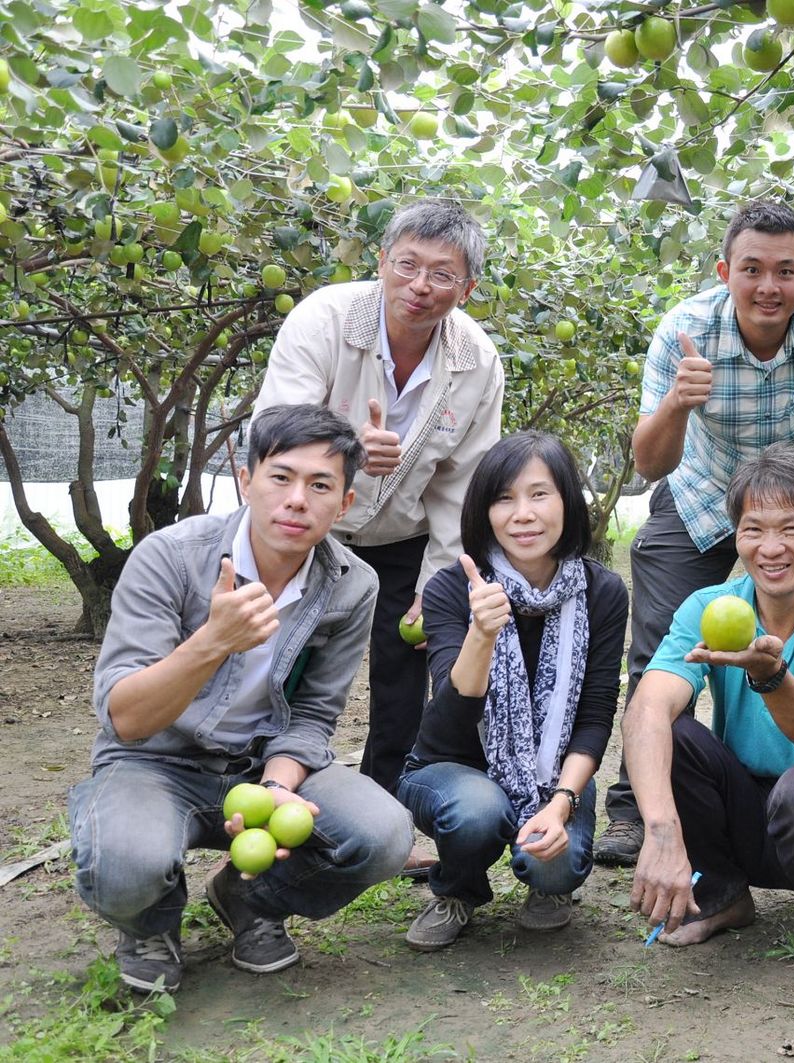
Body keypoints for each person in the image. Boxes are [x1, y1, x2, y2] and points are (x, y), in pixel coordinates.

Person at [69, 405, 413, 993]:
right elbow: (126, 718)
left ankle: (249, 896)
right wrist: (211, 642)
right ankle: (151, 922)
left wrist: (278, 786)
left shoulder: (353, 584)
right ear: (246, 480)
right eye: (281, 476)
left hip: (258, 763)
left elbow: (312, 715)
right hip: (153, 762)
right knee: (124, 867)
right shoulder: (170, 557)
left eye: (321, 484)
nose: (297, 499)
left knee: (384, 835)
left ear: (345, 504)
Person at [594, 200, 794, 867]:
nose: (768, 287)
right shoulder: (685, 329)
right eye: (751, 269)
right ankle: (639, 806)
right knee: (663, 652)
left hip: (786, 509)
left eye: (785, 271)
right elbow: (649, 463)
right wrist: (676, 404)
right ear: (725, 270)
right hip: (696, 495)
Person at [255, 199, 504, 874]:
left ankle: (387, 805)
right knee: (282, 655)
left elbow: (464, 481)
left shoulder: (476, 358)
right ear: (382, 263)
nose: (421, 284)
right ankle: (264, 793)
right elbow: (274, 428)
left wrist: (441, 579)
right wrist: (347, 448)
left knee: (401, 671)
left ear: (467, 287)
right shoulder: (324, 319)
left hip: (401, 534)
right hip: (304, 520)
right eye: (408, 264)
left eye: (442, 273)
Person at [624, 444, 794, 968]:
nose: (771, 548)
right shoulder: (709, 608)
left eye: (791, 529)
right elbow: (645, 710)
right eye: (753, 529)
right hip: (745, 810)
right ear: (736, 536)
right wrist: (660, 831)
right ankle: (724, 894)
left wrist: (770, 676)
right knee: (670, 732)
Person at [396, 432, 627, 950]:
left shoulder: (602, 593)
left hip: (553, 771)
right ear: (485, 512)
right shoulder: (453, 589)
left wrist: (563, 800)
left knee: (554, 867)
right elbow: (447, 725)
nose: (523, 514)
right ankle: (456, 890)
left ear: (568, 501)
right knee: (479, 810)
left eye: (539, 494)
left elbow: (594, 716)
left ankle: (551, 885)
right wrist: (481, 635)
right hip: (452, 768)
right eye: (505, 498)